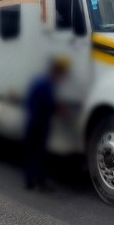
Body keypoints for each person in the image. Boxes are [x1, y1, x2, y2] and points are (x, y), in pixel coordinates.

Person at [23, 55, 70, 192]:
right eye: (61, 75)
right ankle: (41, 183)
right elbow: (50, 104)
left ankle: (29, 181)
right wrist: (63, 112)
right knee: (39, 153)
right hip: (40, 123)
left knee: (30, 152)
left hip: (31, 120)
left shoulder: (39, 80)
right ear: (57, 72)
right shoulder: (47, 84)